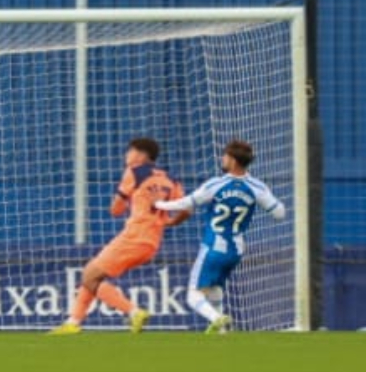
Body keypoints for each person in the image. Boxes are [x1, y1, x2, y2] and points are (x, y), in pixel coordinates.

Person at [48, 137, 185, 336]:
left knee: (88, 276)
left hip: (134, 236)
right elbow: (186, 209)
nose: (126, 155)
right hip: (152, 242)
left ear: (141, 155)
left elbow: (115, 210)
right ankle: (73, 323)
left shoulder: (134, 172)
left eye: (130, 151)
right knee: (92, 275)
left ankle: (133, 312)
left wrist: (124, 200)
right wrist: (171, 221)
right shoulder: (171, 179)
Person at [154, 139, 287, 333]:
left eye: (225, 155)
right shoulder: (258, 187)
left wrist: (159, 204)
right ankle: (222, 333)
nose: (222, 159)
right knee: (215, 289)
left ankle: (218, 319)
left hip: (213, 247)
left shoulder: (217, 184)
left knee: (193, 295)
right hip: (236, 250)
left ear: (233, 160)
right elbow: (280, 213)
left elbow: (187, 202)